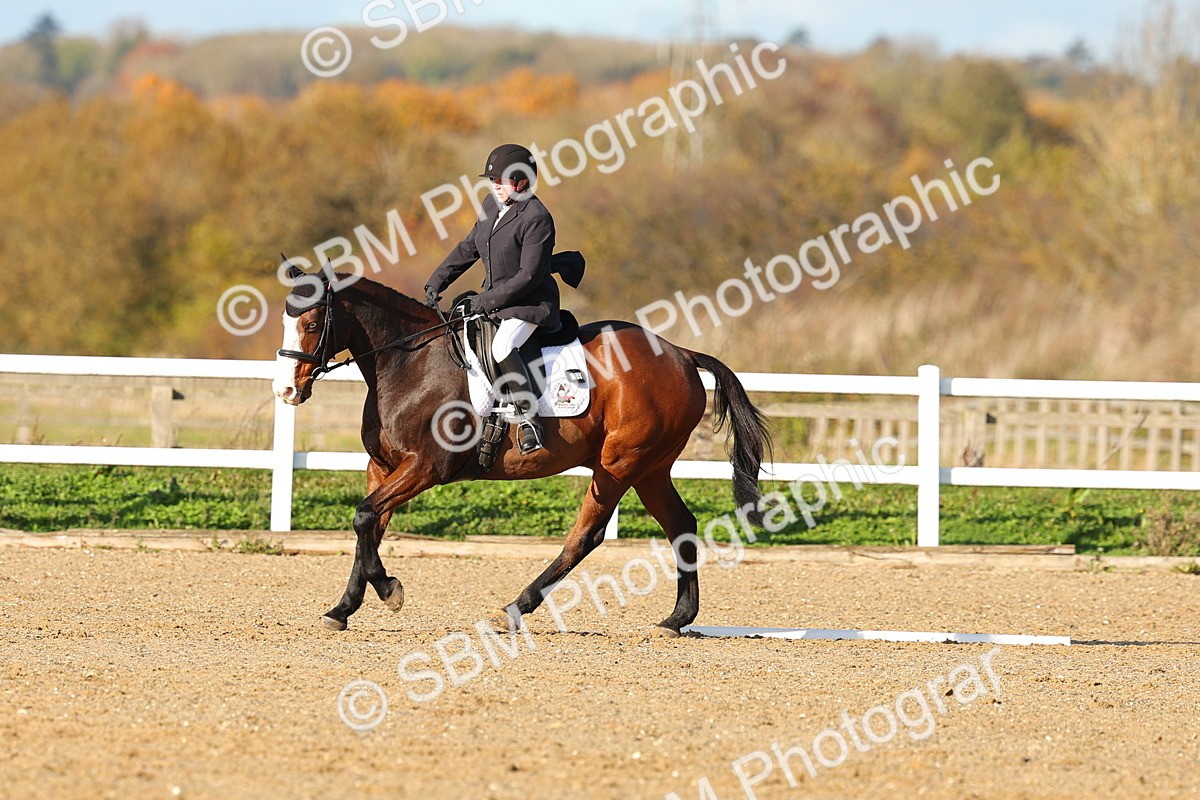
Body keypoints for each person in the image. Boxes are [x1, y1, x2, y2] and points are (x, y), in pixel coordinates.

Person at [424, 143, 559, 454]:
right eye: (492, 180)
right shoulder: (491, 204)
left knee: (502, 346)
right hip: (498, 301)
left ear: (523, 181)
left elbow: (528, 276)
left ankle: (529, 420)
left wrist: (484, 302)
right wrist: (437, 279)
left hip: (529, 304)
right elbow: (469, 246)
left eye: (502, 180)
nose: (495, 185)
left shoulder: (537, 217)